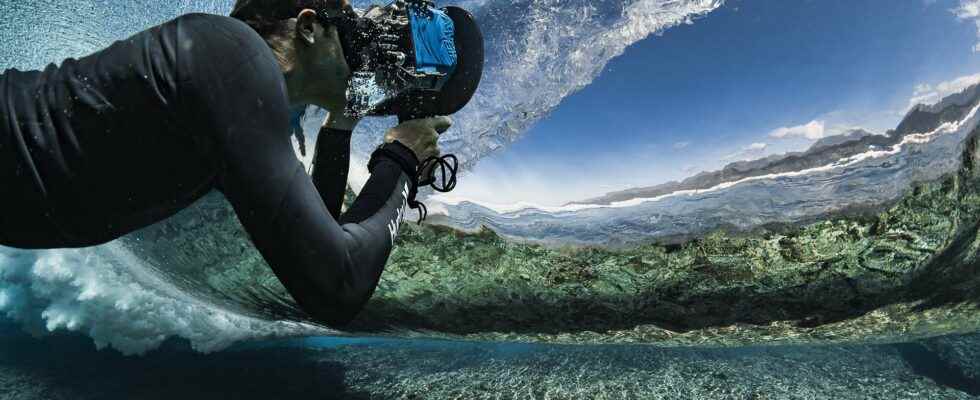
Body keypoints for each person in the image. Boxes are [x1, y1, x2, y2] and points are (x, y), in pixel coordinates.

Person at [0, 0, 449, 328]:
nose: (361, 64)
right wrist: (402, 158)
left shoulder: (241, 91)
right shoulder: (235, 58)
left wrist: (339, 129)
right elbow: (338, 284)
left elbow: (322, 235)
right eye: (351, 40)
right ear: (309, 26)